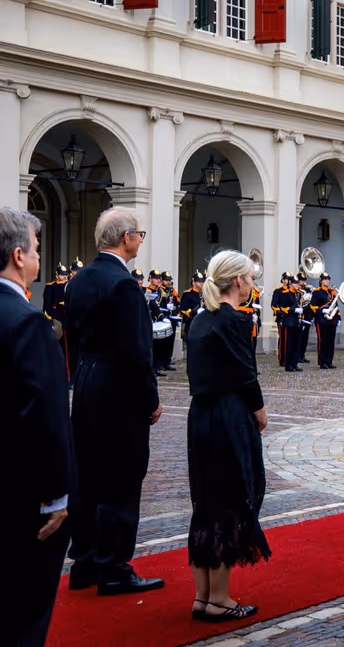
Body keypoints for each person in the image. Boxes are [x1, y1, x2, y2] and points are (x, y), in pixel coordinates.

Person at [64, 208, 164, 596]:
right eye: (139, 233)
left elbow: (72, 339)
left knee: (87, 477)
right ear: (125, 238)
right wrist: (151, 398)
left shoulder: (79, 281)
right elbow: (137, 351)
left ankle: (85, 563)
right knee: (121, 478)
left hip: (87, 385)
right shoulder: (124, 285)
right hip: (119, 390)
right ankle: (114, 567)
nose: (140, 240)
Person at [0, 207, 74, 647]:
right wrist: (57, 495)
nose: (40, 257)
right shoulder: (27, 321)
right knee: (24, 610)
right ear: (18, 255)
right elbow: (45, 415)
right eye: (38, 248)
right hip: (21, 491)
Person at [185, 250, 271, 622]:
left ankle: (203, 595)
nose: (252, 285)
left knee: (205, 502)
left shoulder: (200, 319)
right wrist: (260, 410)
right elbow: (245, 372)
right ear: (237, 281)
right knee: (232, 501)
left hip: (200, 414)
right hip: (228, 415)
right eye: (250, 278)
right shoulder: (235, 320)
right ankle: (219, 597)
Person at [42, 262, 71, 379]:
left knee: (67, 351)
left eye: (65, 274)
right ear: (56, 275)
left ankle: (68, 376)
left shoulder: (69, 285)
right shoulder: (50, 286)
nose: (64, 276)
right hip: (56, 321)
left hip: (68, 320)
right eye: (61, 274)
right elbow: (47, 306)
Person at [310, 272, 340, 369]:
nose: (327, 281)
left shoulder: (332, 292)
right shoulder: (317, 292)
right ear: (321, 281)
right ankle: (322, 362)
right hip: (321, 320)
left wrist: (338, 318)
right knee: (323, 341)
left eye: (328, 279)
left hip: (332, 320)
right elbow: (312, 306)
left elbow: (336, 306)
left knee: (331, 341)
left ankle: (329, 361)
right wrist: (322, 310)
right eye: (325, 279)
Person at [272, 273, 301, 371]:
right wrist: (293, 310)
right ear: (290, 284)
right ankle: (287, 363)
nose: (297, 285)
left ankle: (294, 363)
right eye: (295, 283)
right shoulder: (284, 294)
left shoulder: (298, 294)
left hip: (296, 321)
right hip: (287, 320)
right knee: (287, 343)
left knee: (296, 344)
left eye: (298, 283)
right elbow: (281, 308)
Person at [179, 270, 206, 361]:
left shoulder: (205, 294)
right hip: (192, 323)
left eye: (202, 281)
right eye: (199, 281)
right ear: (193, 282)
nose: (201, 283)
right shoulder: (188, 294)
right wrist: (195, 312)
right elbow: (183, 310)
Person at [295, 272, 311, 365]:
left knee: (305, 337)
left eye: (304, 280)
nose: (303, 282)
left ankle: (302, 355)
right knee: (298, 338)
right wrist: (304, 299)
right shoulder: (297, 291)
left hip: (307, 316)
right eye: (301, 280)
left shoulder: (307, 290)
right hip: (299, 317)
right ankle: (297, 356)